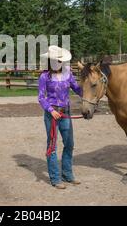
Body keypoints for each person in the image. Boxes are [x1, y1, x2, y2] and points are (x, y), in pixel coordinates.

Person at [38, 45, 82, 189]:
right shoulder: (44, 76)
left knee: (69, 144)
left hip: (66, 113)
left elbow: (77, 89)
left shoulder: (68, 73)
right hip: (52, 115)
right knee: (52, 146)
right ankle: (55, 179)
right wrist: (51, 110)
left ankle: (67, 174)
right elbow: (41, 98)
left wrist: (89, 92)